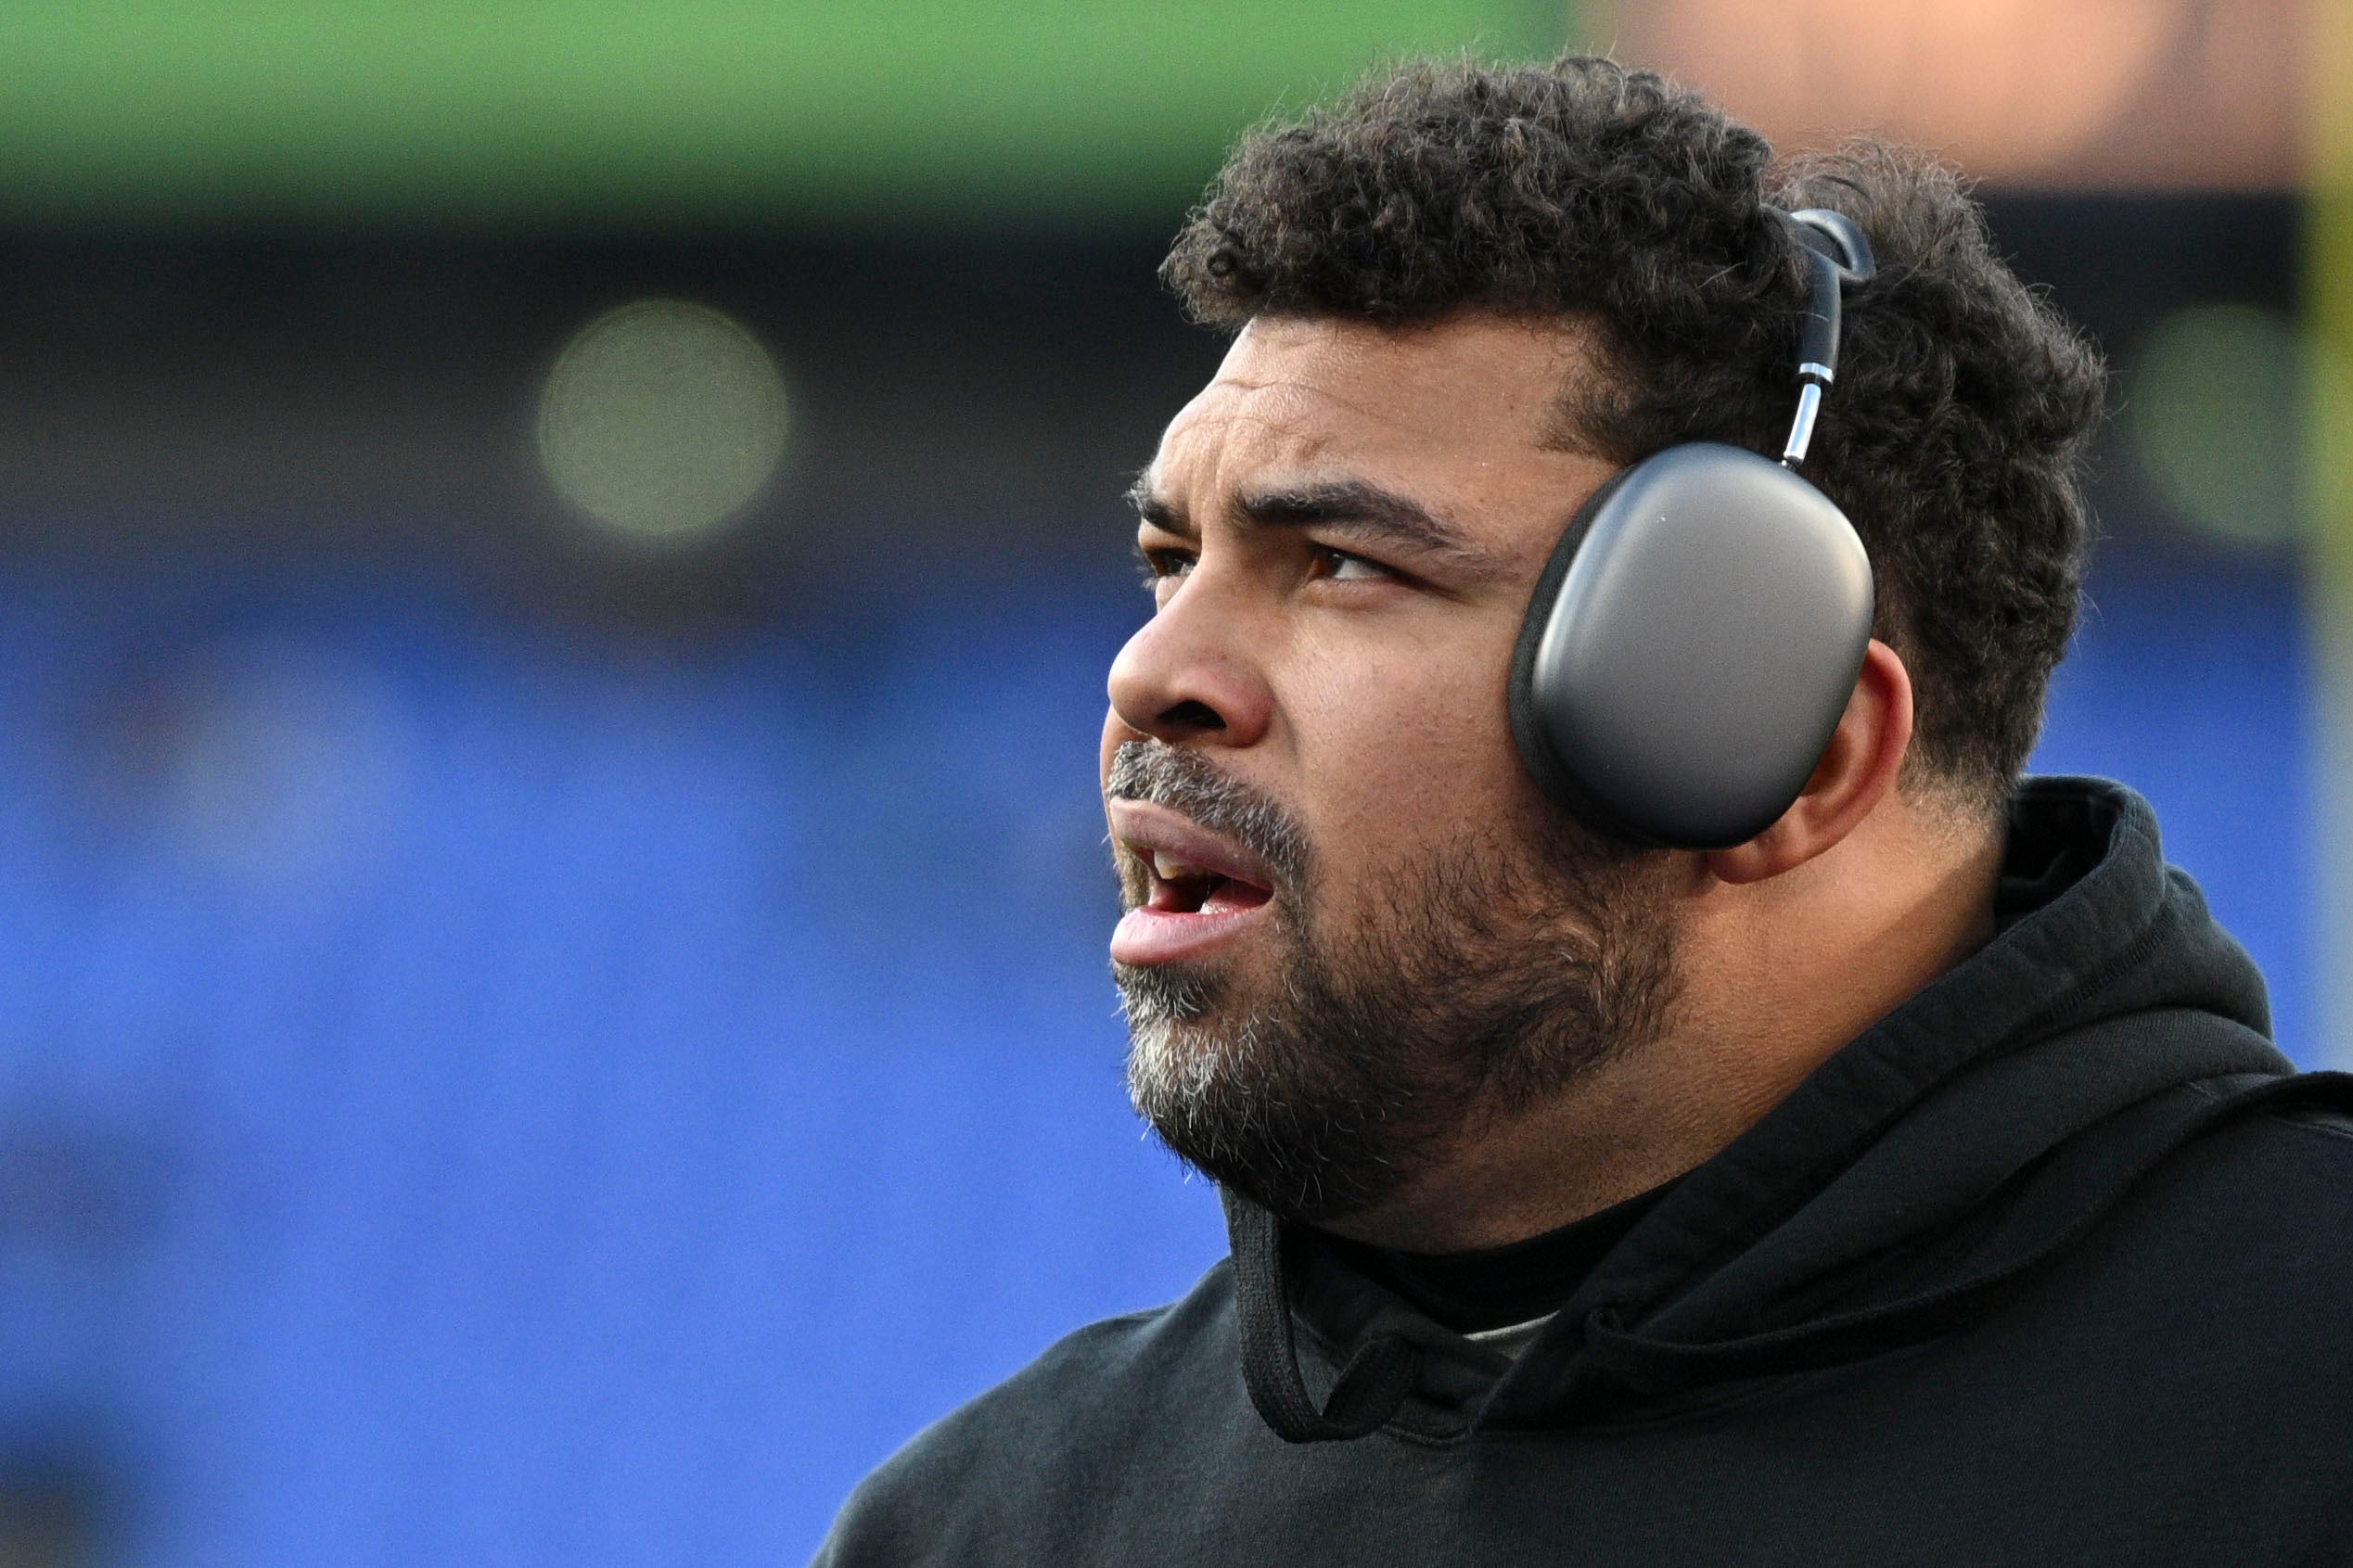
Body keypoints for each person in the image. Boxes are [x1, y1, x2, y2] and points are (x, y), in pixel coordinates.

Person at [814, 55, 2353, 1565]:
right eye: (1168, 561)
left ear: (1794, 748)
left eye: (1344, 562)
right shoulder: (996, 1526)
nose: (1152, 673)